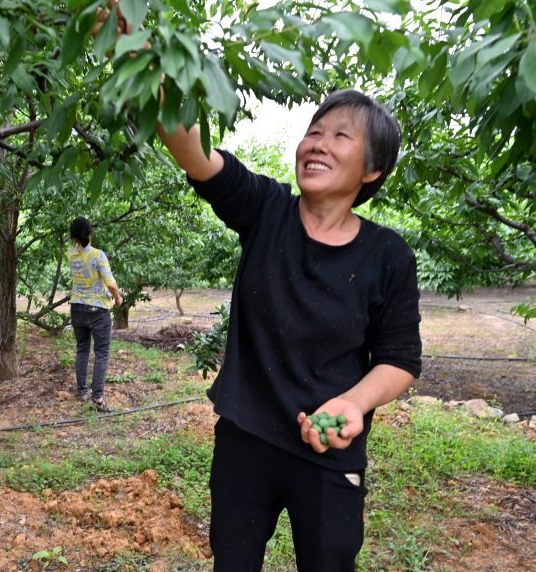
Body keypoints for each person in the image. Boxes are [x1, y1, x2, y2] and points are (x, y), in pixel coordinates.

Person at [158, 90, 423, 570]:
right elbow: (196, 155)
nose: (318, 144)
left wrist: (354, 403)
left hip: (330, 454)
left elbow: (399, 359)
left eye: (340, 136)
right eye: (313, 132)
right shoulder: (266, 209)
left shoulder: (389, 256)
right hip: (246, 440)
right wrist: (146, 70)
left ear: (372, 169)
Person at [67, 216, 123, 413]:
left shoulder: (70, 255)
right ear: (90, 232)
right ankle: (98, 398)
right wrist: (118, 298)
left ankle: (82, 392)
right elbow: (111, 283)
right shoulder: (98, 255)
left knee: (82, 349)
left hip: (77, 308)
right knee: (101, 353)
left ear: (73, 236)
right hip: (97, 310)